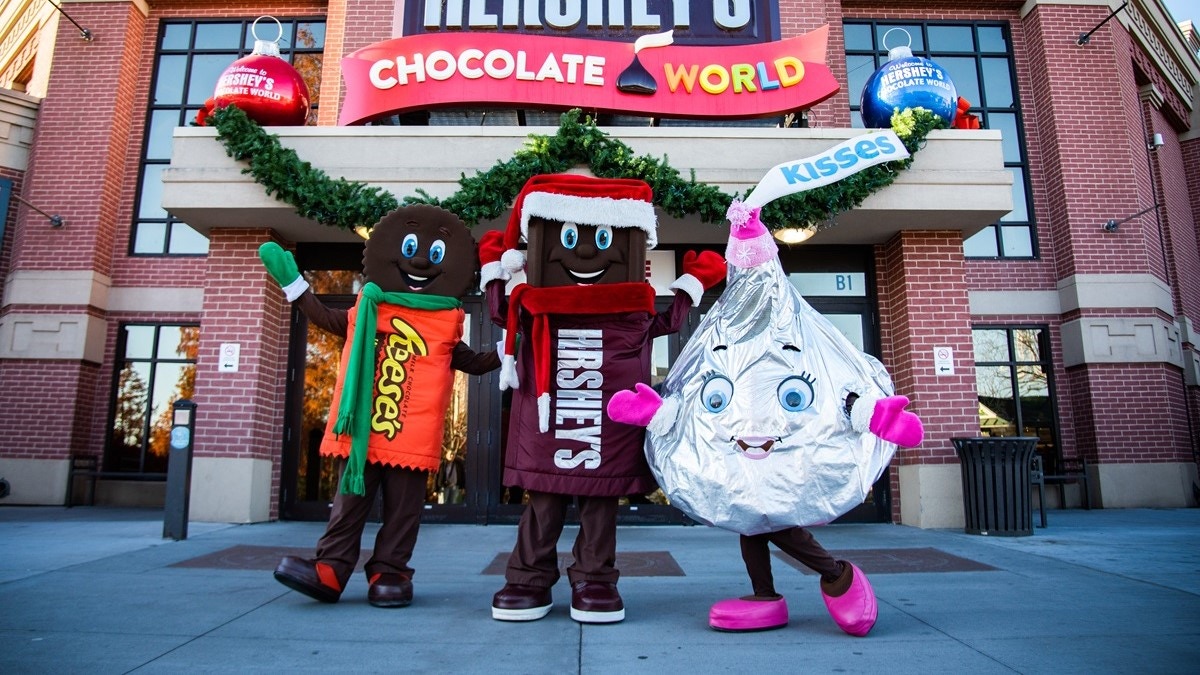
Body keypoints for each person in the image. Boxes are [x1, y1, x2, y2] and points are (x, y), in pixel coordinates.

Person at [608, 201, 924, 636]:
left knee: (775, 521)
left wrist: (870, 413)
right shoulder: (723, 341)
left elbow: (834, 384)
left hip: (782, 452)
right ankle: (765, 595)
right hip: (742, 451)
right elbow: (696, 391)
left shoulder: (798, 337)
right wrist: (661, 413)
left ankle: (836, 574)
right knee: (750, 519)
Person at [479, 174, 726, 623]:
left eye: (605, 239)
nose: (587, 253)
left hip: (602, 430)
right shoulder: (532, 304)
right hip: (552, 426)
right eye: (570, 239)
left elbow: (669, 322)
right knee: (545, 502)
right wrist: (494, 270)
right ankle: (529, 578)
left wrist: (694, 282)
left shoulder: (633, 312)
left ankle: (594, 578)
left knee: (598, 505)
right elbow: (500, 313)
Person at [262, 204, 499, 608]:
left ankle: (390, 570)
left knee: (404, 510)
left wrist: (513, 346)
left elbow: (475, 363)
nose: (421, 261)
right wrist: (296, 288)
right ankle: (331, 568)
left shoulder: (444, 325)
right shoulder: (369, 309)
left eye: (435, 255)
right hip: (361, 432)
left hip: (412, 438)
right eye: (411, 249)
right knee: (349, 503)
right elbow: (327, 318)